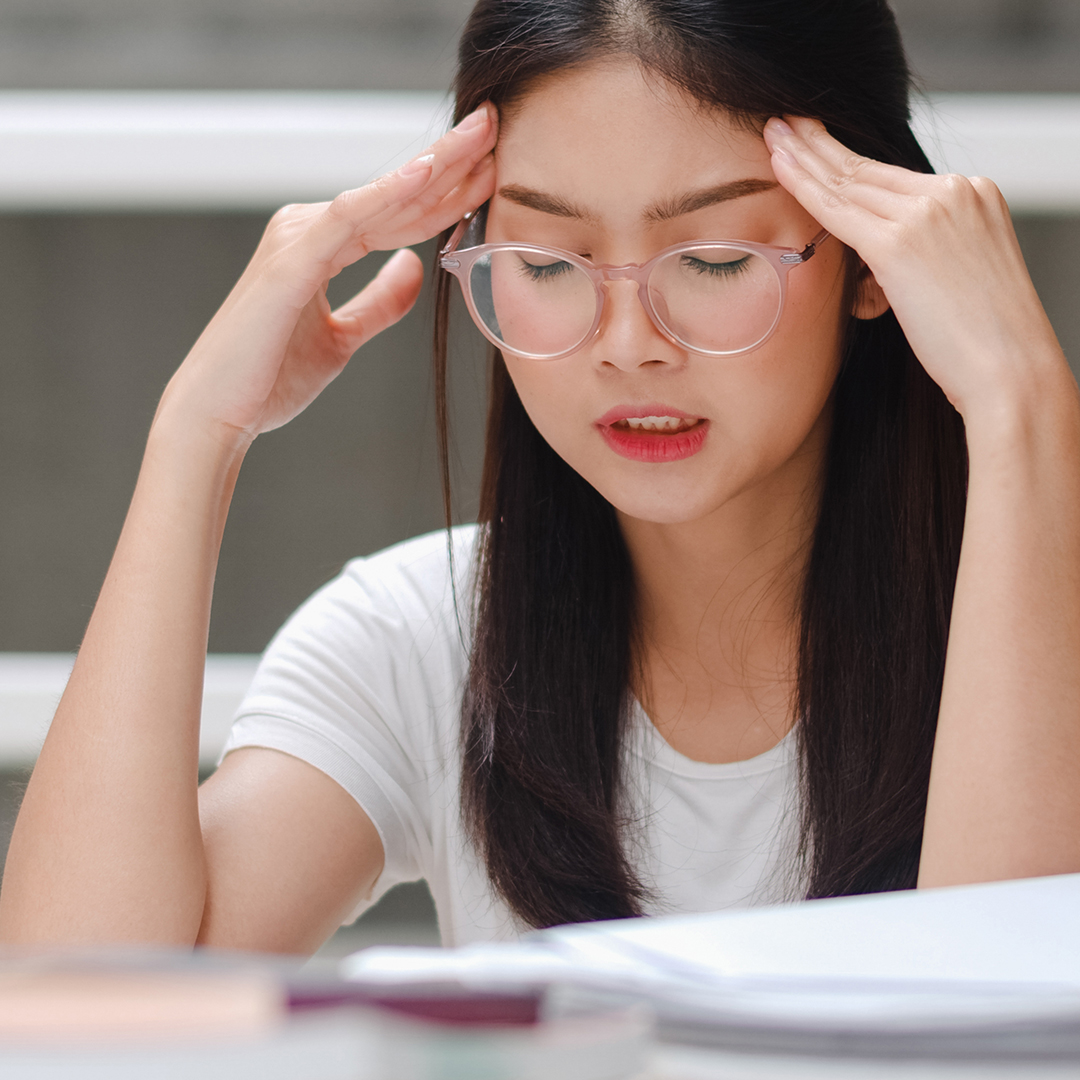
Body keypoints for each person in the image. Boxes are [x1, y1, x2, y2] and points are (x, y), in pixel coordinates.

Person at [3, 0, 1079, 952]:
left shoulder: (1037, 630)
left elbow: (1003, 1029)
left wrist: (1023, 405)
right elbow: (83, 1007)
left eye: (711, 260)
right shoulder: (423, 640)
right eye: (548, 265)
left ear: (875, 260)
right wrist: (198, 431)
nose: (628, 343)